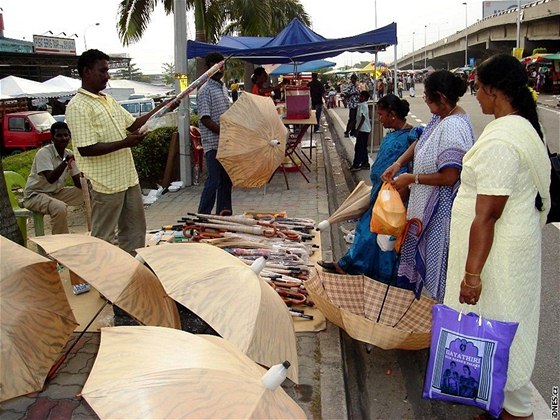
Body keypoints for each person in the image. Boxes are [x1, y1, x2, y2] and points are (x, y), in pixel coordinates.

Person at [444, 54, 551, 420]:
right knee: (498, 327)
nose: (476, 95)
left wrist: (472, 276)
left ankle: (513, 409)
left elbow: (487, 215)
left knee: (498, 326)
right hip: (506, 251)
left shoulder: (503, 141)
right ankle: (492, 401)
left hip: (496, 257)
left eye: (478, 87)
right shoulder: (519, 126)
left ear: (492, 90)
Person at [66, 49, 171, 254]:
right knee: (103, 237)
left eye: (107, 71)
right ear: (86, 72)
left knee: (134, 231)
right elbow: (86, 149)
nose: (107, 76)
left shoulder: (108, 100)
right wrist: (125, 143)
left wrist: (162, 108)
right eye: (102, 71)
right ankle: (103, 276)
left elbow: (134, 125)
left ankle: (132, 271)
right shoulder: (77, 106)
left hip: (128, 178)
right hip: (105, 183)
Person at [382, 70, 475, 303]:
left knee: (437, 273)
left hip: (438, 215)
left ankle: (437, 319)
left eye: (427, 96)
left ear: (441, 97)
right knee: (415, 264)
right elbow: (420, 142)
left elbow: (449, 177)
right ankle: (422, 314)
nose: (424, 99)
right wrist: (398, 163)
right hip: (424, 209)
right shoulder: (441, 117)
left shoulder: (453, 126)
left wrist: (411, 179)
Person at [317, 94, 422, 282]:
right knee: (369, 230)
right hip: (378, 192)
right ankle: (352, 266)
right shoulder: (391, 134)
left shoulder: (412, 134)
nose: (379, 118)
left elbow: (421, 141)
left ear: (392, 114)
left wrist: (403, 175)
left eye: (382, 114)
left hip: (393, 196)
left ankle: (380, 275)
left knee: (381, 234)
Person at [23, 121, 83, 234]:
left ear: (70, 136)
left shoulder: (68, 153)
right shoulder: (44, 153)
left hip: (55, 193)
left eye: (66, 135)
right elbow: (51, 178)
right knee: (59, 207)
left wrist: (87, 182)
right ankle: (61, 242)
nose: (63, 138)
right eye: (59, 136)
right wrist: (65, 162)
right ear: (52, 138)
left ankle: (98, 233)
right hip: (35, 195)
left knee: (89, 193)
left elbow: (77, 183)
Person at [197, 52, 233, 215]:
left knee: (226, 180)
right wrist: (223, 131)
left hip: (226, 143)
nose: (219, 69)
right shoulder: (205, 90)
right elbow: (205, 119)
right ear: (208, 67)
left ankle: (224, 214)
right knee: (214, 180)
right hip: (213, 144)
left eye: (221, 65)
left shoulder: (223, 88)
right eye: (215, 65)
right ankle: (203, 215)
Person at [349, 91, 372, 171]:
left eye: (361, 96)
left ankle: (356, 164)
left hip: (363, 129)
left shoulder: (363, 106)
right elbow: (358, 118)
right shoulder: (360, 105)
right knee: (362, 147)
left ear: (364, 98)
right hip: (362, 129)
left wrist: (357, 129)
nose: (359, 98)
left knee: (359, 147)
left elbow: (363, 118)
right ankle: (365, 163)